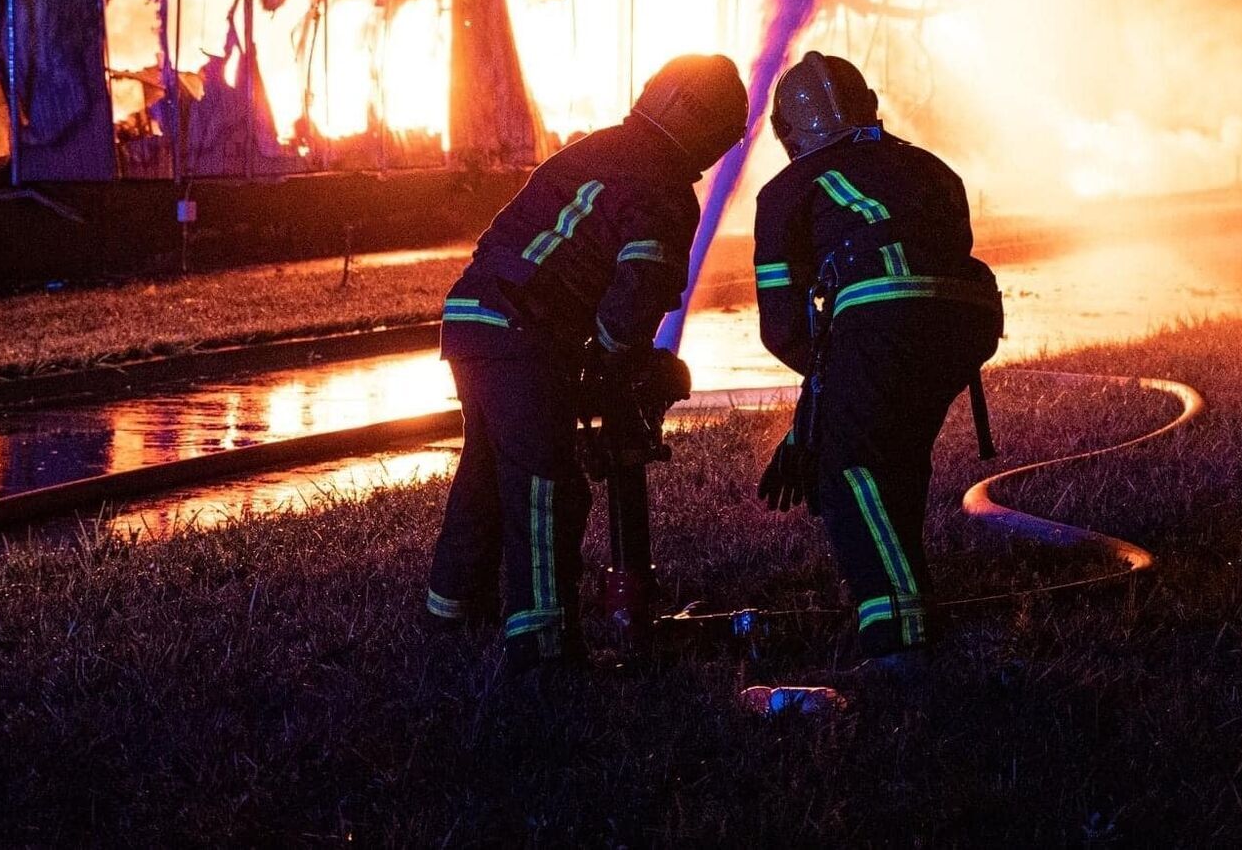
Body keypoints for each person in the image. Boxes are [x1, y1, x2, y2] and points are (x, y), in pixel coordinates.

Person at [426, 53, 747, 670]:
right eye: (721, 135)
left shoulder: (595, 148)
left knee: (488, 469)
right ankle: (543, 645)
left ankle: (452, 612)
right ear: (700, 125)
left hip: (472, 318)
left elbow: (510, 234)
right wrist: (617, 361)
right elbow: (637, 292)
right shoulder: (664, 190)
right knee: (548, 484)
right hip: (524, 334)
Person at [752, 52, 1002, 668]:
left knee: (850, 469)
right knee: (898, 452)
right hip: (969, 321)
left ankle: (899, 640)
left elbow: (783, 326)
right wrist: (829, 404)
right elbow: (942, 268)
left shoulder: (786, 189)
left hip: (882, 313)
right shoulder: (932, 167)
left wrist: (823, 413)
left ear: (788, 134)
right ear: (870, 106)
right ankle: (907, 603)